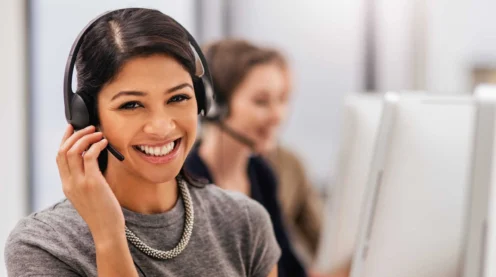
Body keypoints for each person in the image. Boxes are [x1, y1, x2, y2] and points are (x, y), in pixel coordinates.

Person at [5, 8, 280, 277]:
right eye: (132, 104)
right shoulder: (43, 246)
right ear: (87, 117)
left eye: (178, 98)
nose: (161, 127)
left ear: (202, 99)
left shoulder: (245, 222)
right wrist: (108, 235)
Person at [184, 39, 306, 277]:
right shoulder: (187, 180)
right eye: (261, 101)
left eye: (281, 99)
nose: (278, 115)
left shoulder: (261, 173)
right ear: (217, 105)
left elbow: (289, 269)